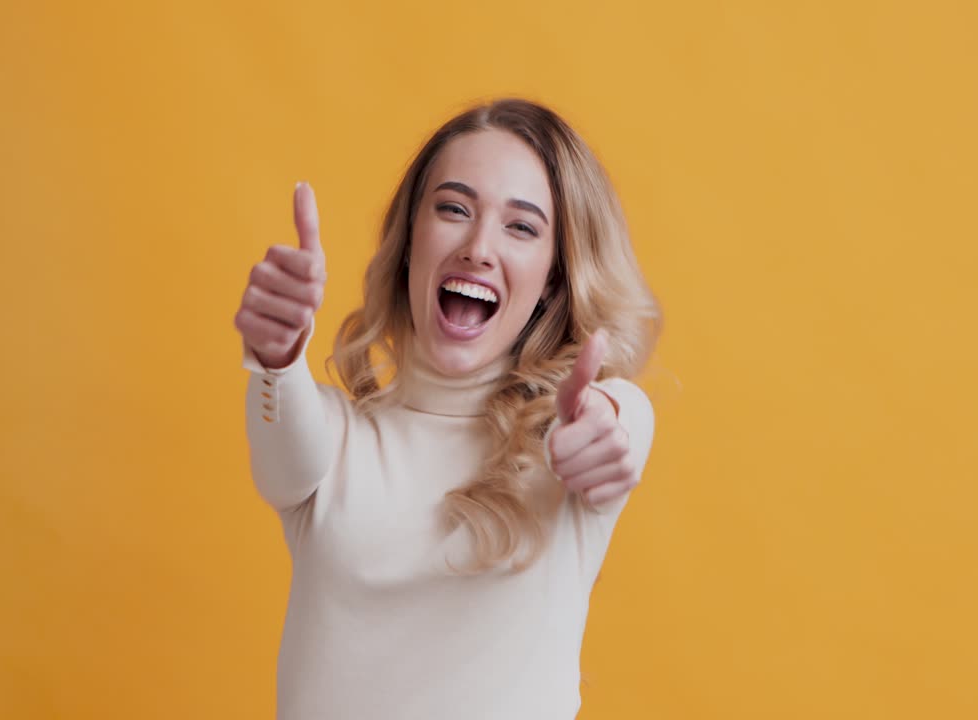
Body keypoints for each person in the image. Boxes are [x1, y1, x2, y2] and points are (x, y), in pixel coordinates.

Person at [234, 98, 661, 719]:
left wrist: (603, 431)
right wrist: (275, 357)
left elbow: (620, 419)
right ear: (410, 242)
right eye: (454, 209)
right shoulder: (331, 440)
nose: (478, 247)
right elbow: (281, 434)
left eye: (521, 227)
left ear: (552, 278)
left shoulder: (570, 436)